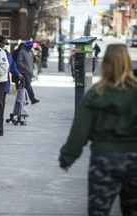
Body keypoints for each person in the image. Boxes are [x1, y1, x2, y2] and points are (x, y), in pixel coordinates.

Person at [59, 44, 137, 215]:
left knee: (98, 210)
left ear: (105, 63)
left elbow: (79, 131)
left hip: (104, 160)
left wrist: (67, 158)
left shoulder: (94, 94)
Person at [0, 35, 23, 136]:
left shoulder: (6, 54)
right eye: (3, 44)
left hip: (2, 85)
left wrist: (18, 74)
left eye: (5, 45)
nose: (4, 46)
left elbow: (12, 66)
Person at [17, 40, 39, 104]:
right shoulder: (22, 52)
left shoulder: (29, 52)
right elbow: (19, 62)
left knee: (25, 87)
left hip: (29, 72)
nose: (31, 47)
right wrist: (26, 68)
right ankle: (32, 99)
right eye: (30, 46)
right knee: (27, 86)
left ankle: (24, 99)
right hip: (24, 72)